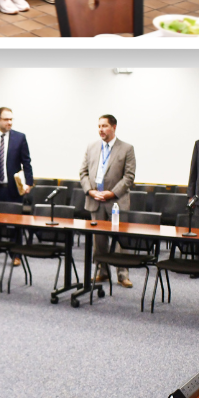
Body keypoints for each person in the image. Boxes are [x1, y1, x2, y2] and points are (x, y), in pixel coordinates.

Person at [79, 114, 136, 287]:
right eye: (99, 126)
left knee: (120, 240)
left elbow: (129, 177)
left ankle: (123, 274)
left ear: (114, 127)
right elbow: (83, 173)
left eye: (104, 126)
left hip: (116, 201)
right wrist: (90, 191)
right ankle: (102, 272)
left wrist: (111, 193)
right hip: (95, 201)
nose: (101, 130)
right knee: (99, 240)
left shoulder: (127, 148)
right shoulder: (92, 147)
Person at [0, 106, 33, 266]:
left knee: (15, 224)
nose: (9, 122)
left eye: (11, 119)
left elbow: (26, 162)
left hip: (13, 189)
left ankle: (16, 255)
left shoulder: (20, 138)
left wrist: (28, 182)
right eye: (6, 119)